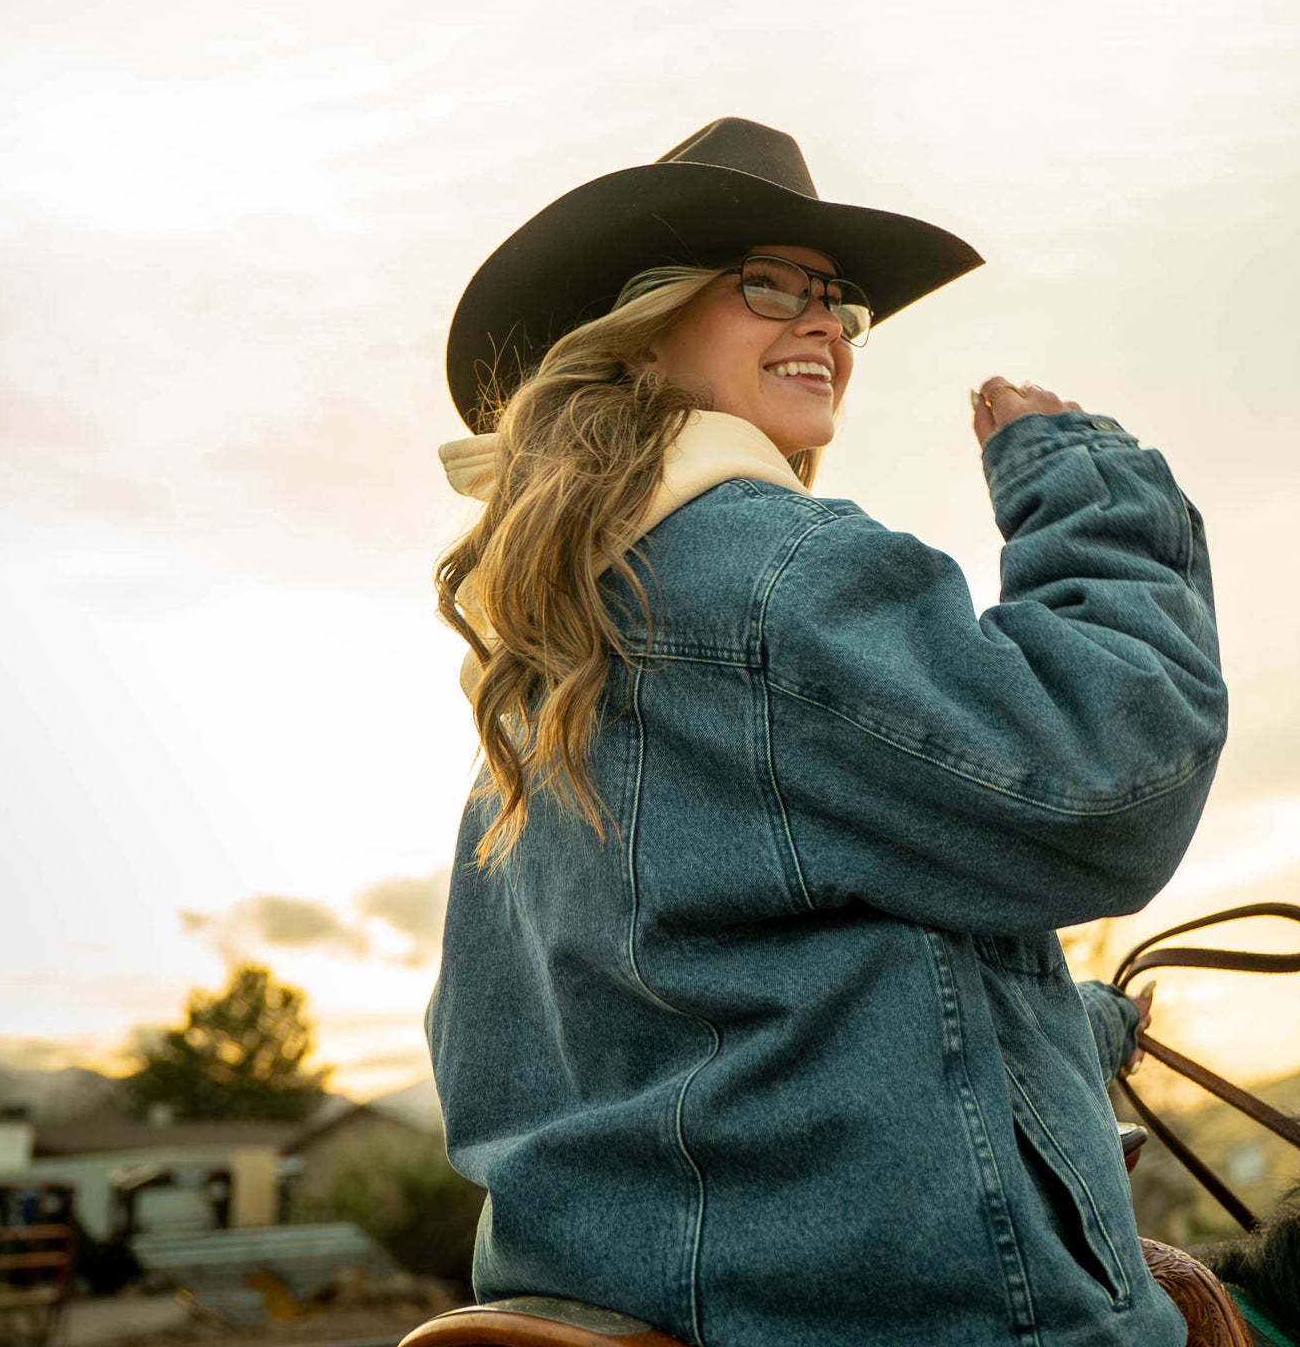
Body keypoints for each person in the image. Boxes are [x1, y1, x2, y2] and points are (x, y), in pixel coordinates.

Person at [426, 118, 1228, 1347]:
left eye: (836, 301)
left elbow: (715, 1024)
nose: (827, 327)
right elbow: (1109, 773)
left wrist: (1078, 1025)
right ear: (639, 332)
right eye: (771, 285)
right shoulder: (766, 571)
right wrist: (1082, 477)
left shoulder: (546, 671)